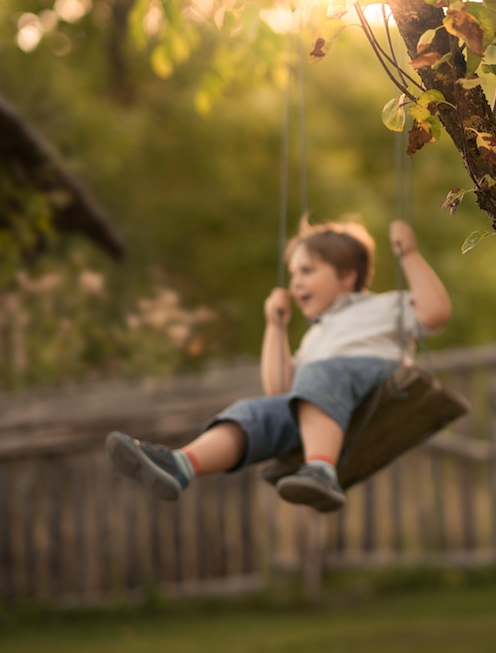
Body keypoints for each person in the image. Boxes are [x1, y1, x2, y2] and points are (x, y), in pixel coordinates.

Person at [106, 216, 452, 513]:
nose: (296, 282)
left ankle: (320, 470)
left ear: (347, 276)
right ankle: (183, 463)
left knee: (318, 375)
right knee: (255, 411)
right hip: (321, 401)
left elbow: (435, 313)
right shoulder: (315, 338)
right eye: (292, 273)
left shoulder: (383, 308)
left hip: (374, 384)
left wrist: (409, 255)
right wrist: (275, 327)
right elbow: (279, 389)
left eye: (307, 270)